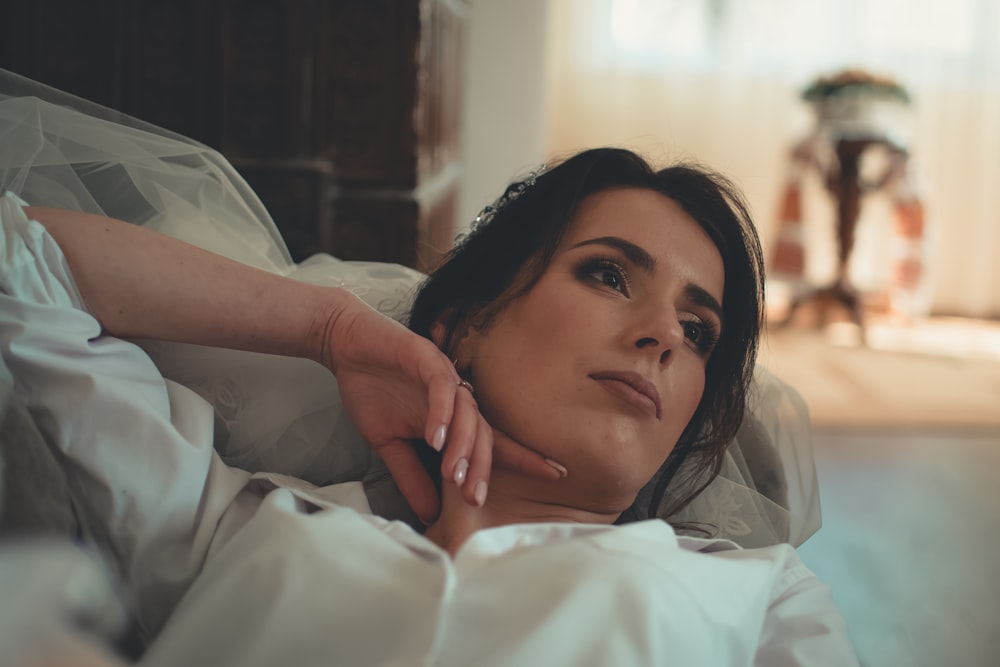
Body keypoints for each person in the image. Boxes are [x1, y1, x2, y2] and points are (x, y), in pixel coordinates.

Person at [3, 140, 858, 665]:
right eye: (608, 273)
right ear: (465, 327)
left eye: (699, 329)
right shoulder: (236, 527)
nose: (663, 335)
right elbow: (21, 261)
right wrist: (334, 330)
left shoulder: (761, 596)